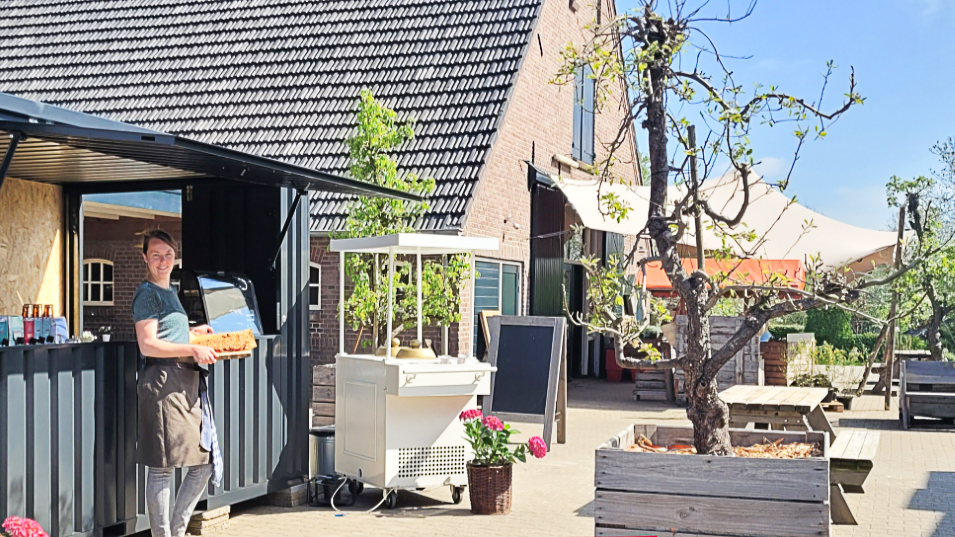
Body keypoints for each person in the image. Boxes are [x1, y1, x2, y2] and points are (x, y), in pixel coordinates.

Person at [133, 229, 220, 537]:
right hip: (162, 385)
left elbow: (170, 335)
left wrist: (196, 333)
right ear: (144, 257)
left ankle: (177, 528)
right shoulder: (148, 294)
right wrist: (192, 349)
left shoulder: (169, 292)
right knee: (161, 468)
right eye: (156, 255)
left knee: (204, 460)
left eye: (168, 255)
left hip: (182, 384)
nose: (162, 260)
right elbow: (148, 346)